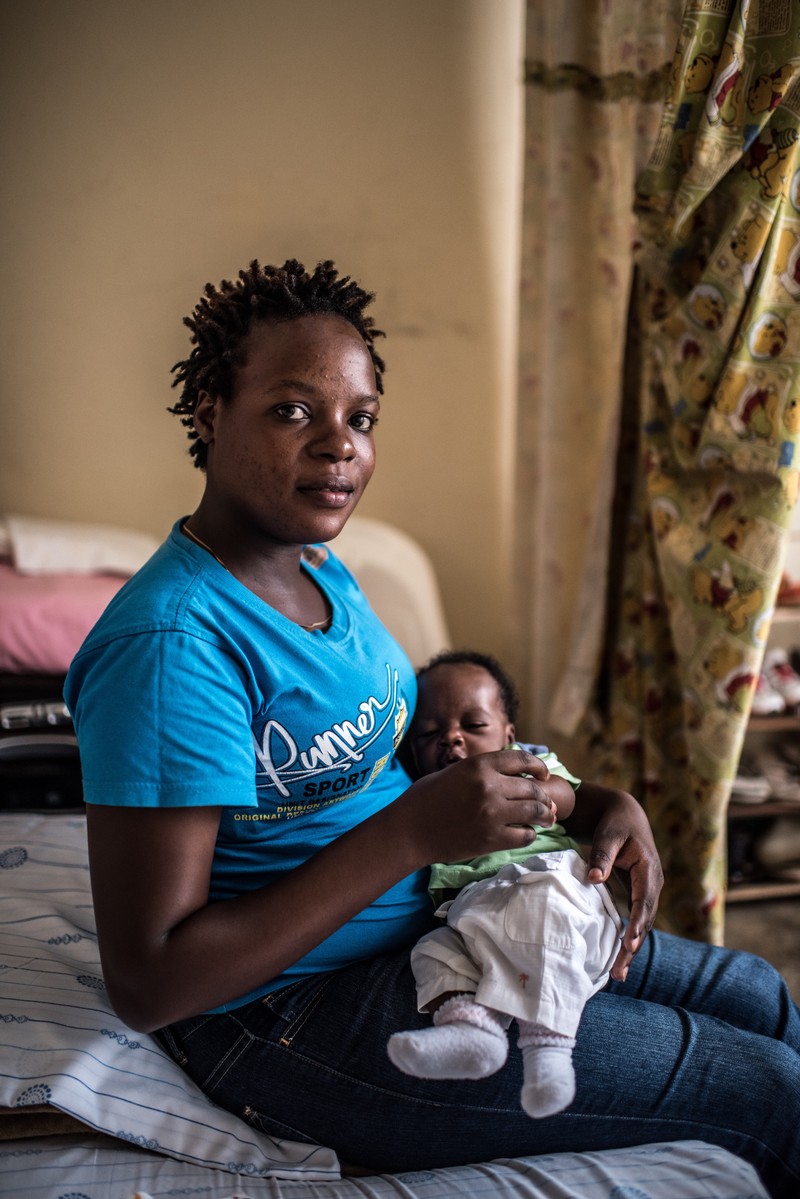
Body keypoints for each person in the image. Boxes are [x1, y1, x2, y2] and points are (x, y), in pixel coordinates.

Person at [63, 258, 800, 1199]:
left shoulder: (322, 568)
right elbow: (155, 981)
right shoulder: (174, 645)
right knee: (768, 1087)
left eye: (360, 419)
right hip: (289, 1012)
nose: (340, 448)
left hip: (456, 916)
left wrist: (587, 800)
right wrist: (412, 832)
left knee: (761, 993)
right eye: (294, 411)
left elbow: (403, 758)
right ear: (210, 409)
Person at [387, 650, 624, 1120]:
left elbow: (568, 796)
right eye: (430, 734)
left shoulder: (528, 766)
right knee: (433, 951)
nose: (451, 738)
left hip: (557, 896)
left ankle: (549, 1048)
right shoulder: (423, 799)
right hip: (479, 914)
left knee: (537, 907)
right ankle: (475, 1031)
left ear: (510, 736)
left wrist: (529, 790)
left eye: (473, 726)